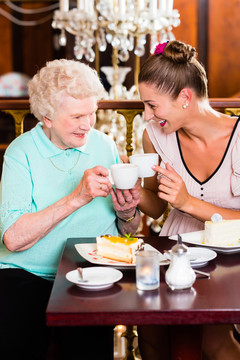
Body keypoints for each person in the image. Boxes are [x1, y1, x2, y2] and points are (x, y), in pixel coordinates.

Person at [0, 59, 141, 360]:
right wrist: (76, 197)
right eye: (77, 116)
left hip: (92, 272)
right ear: (47, 117)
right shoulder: (21, 152)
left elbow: (128, 230)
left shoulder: (104, 144)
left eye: (92, 113)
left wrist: (128, 214)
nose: (88, 124)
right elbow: (12, 239)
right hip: (28, 274)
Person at [136, 40, 240, 359]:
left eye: (152, 105)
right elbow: (156, 205)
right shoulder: (153, 135)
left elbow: (180, 202)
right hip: (173, 252)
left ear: (184, 97)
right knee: (150, 334)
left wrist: (187, 202)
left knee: (212, 342)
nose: (147, 115)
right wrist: (132, 193)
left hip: (229, 263)